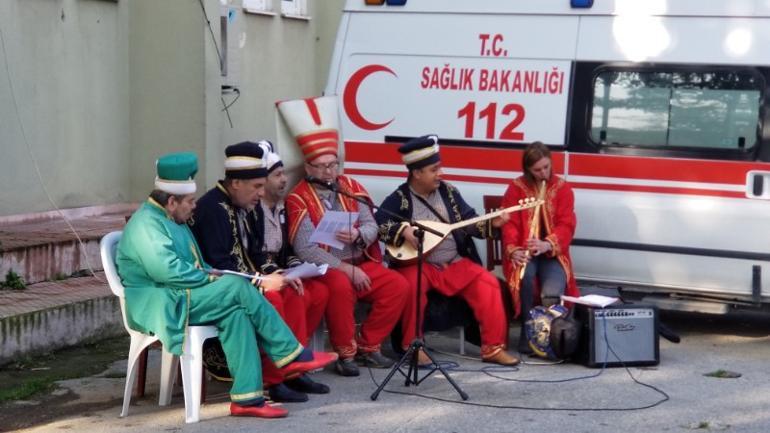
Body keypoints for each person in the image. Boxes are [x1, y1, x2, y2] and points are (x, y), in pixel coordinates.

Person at [116, 152, 336, 418]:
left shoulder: (171, 218)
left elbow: (195, 266)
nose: (194, 206)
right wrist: (215, 279)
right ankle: (289, 353)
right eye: (190, 201)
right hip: (160, 302)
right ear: (172, 201)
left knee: (237, 312)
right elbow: (169, 272)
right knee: (237, 287)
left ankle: (247, 399)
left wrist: (214, 276)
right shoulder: (146, 224)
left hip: (180, 294)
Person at [190, 141, 330, 403]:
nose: (260, 193)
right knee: (274, 298)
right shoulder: (212, 209)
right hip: (218, 288)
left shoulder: (248, 204)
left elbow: (256, 254)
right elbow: (218, 265)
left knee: (294, 291)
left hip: (248, 281)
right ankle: (271, 380)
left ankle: (290, 370)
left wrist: (279, 274)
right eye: (256, 186)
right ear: (235, 184)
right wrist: (262, 282)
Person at [283, 97, 410, 377]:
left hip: (359, 259)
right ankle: (345, 353)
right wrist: (345, 268)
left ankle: (370, 345)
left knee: (397, 285)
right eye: (321, 166)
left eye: (333, 164)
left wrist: (359, 235)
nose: (329, 172)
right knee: (339, 285)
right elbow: (304, 247)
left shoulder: (351, 187)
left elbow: (371, 224)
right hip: (327, 267)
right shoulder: (298, 198)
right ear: (307, 168)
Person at [375, 135, 520, 366]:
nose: (440, 174)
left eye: (439, 168)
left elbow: (470, 221)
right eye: (434, 169)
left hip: (453, 263)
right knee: (411, 286)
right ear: (417, 173)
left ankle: (493, 348)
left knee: (488, 284)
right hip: (420, 266)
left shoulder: (449, 192)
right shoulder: (399, 199)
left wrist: (493, 224)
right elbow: (379, 225)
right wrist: (403, 230)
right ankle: (412, 346)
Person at [500, 141, 580, 354]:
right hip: (524, 251)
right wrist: (513, 250)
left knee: (551, 292)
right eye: (537, 170)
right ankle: (528, 337)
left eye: (546, 167)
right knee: (525, 277)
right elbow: (510, 223)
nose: (543, 173)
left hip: (552, 253)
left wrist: (547, 244)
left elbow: (567, 224)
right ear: (527, 169)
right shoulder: (516, 187)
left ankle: (550, 339)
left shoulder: (563, 188)